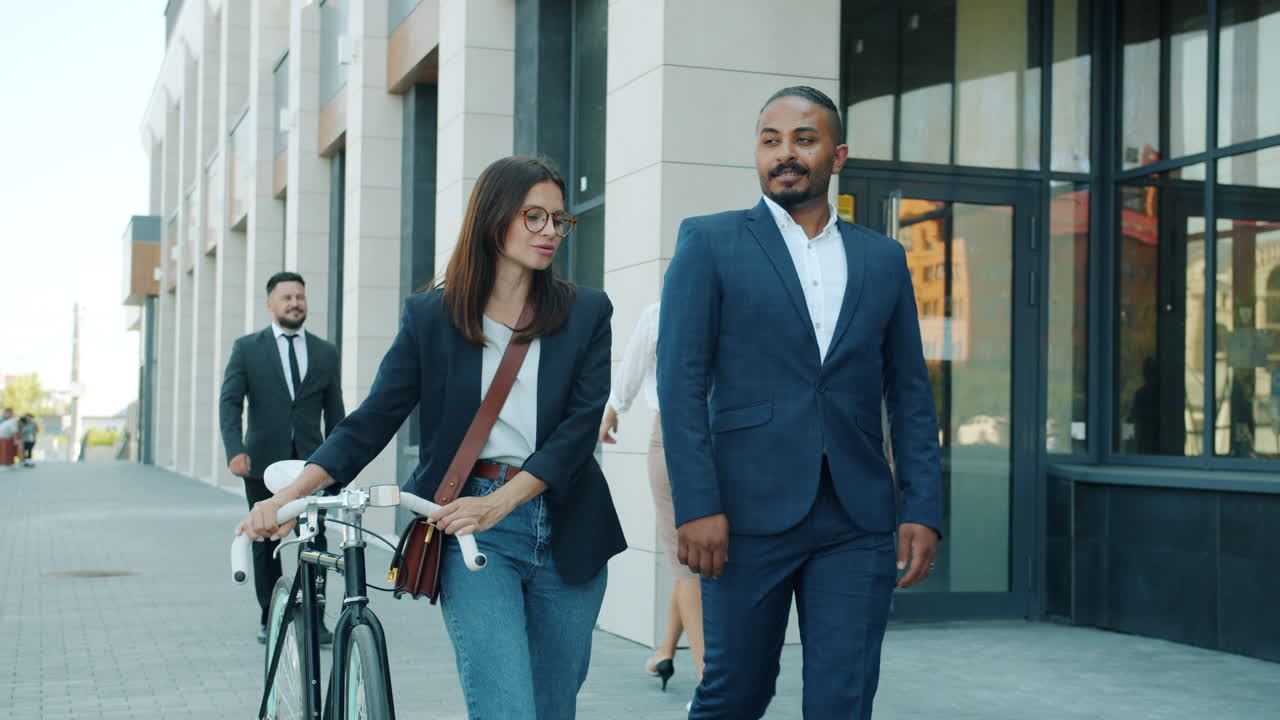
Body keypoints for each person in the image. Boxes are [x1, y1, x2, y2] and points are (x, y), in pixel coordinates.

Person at [237, 156, 626, 720]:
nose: (549, 232)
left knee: (552, 707)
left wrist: (502, 502)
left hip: (568, 527)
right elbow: (371, 419)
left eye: (559, 221)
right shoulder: (433, 317)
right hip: (474, 534)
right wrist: (291, 494)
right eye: (534, 217)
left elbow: (577, 431)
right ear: (493, 220)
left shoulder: (586, 311)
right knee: (505, 708)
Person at [657, 86, 943, 719]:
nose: (786, 154)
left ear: (837, 154)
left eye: (804, 139)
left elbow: (910, 394)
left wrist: (922, 506)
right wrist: (697, 505)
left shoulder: (884, 259)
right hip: (742, 515)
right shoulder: (709, 243)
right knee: (736, 693)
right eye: (771, 140)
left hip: (857, 519)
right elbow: (679, 385)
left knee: (844, 699)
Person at [219, 271, 346, 645]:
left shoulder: (325, 351)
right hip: (261, 462)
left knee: (316, 539)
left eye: (300, 297)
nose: (295, 303)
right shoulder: (247, 348)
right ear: (269, 304)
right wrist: (234, 450)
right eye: (287, 297)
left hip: (312, 464)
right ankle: (270, 615)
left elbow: (335, 411)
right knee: (265, 541)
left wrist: (342, 463)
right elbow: (230, 402)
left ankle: (316, 619)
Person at [598, 301, 704, 693]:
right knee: (689, 557)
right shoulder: (669, 311)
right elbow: (633, 366)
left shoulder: (665, 311)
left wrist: (614, 409)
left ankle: (686, 664)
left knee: (687, 557)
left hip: (693, 437)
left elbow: (633, 364)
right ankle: (686, 663)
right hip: (701, 436)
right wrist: (614, 407)